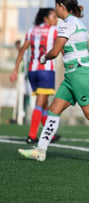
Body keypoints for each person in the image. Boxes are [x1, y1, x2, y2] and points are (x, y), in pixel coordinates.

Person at [18, 0, 89, 165]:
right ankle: (40, 150)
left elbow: (55, 52)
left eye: (56, 6)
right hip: (71, 76)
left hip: (80, 74)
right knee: (53, 110)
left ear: (62, 7)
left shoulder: (66, 25)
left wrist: (43, 58)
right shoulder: (77, 23)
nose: (55, 10)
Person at [10, 8, 61, 144]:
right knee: (40, 102)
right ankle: (32, 135)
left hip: (32, 71)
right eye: (54, 17)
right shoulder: (54, 31)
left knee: (44, 103)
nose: (56, 19)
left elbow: (23, 49)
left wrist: (16, 69)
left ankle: (50, 133)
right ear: (46, 19)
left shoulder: (32, 29)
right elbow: (61, 48)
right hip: (46, 70)